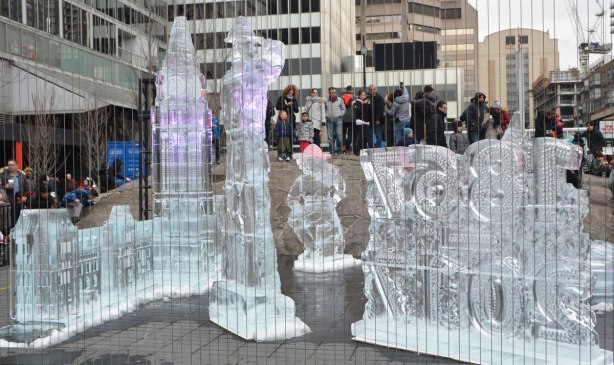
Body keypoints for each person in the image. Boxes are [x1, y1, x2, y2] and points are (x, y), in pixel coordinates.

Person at [325, 86, 346, 155]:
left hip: (338, 121)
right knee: (330, 138)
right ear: (329, 93)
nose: (333, 94)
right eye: (332, 93)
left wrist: (341, 114)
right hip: (329, 121)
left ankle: (340, 152)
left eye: (334, 93)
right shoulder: (326, 101)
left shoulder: (340, 100)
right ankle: (332, 152)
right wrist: (326, 115)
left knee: (339, 137)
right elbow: (323, 109)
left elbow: (343, 109)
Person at [353, 89, 372, 155]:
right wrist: (364, 104)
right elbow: (358, 111)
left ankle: (363, 150)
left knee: (366, 137)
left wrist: (368, 105)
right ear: (359, 96)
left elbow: (369, 112)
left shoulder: (365, 103)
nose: (364, 96)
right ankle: (357, 150)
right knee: (361, 137)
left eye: (365, 95)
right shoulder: (357, 103)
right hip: (360, 122)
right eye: (362, 95)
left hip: (366, 122)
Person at [341, 86, 355, 153]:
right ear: (352, 90)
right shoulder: (353, 97)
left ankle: (344, 146)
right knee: (350, 134)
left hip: (343, 118)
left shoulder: (342, 97)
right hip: (352, 118)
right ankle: (348, 147)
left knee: (343, 133)